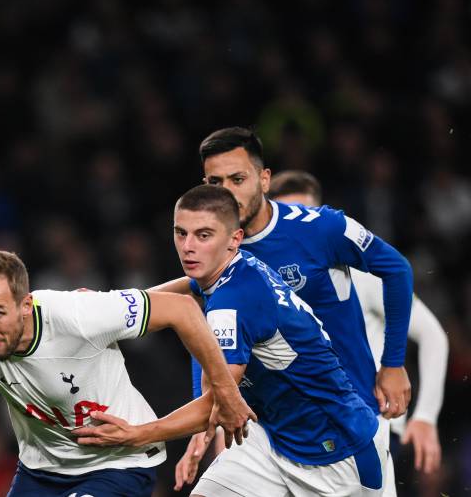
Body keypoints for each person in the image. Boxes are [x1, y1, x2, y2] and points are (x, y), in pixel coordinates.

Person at [74, 184, 388, 496]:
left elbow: (219, 402)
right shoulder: (229, 268)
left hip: (337, 453)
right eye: (181, 233)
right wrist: (112, 304)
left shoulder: (233, 303)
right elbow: (186, 289)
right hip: (273, 439)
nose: (188, 246)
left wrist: (137, 434)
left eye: (203, 235)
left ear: (234, 239)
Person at [0, 245, 254, 497]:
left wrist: (227, 391)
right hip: (41, 471)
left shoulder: (78, 314)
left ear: (25, 304)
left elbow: (182, 309)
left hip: (119, 462)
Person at [166, 127, 414, 490]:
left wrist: (392, 364)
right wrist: (206, 423)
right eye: (217, 181)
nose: (228, 192)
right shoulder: (214, 249)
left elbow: (397, 270)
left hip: (345, 418)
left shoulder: (321, 228)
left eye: (238, 178)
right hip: (267, 427)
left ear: (264, 179)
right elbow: (207, 332)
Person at [269, 169, 448, 481]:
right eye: (284, 213)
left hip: (371, 422)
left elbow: (433, 334)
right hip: (296, 431)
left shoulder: (360, 274)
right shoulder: (263, 283)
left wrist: (426, 416)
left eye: (303, 212)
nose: (294, 221)